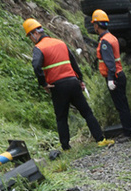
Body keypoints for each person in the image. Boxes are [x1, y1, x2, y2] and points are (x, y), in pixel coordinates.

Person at [23, 18, 114, 152]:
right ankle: (100, 139)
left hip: (58, 86)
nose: (31, 39)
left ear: (34, 34)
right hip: (73, 82)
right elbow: (74, 62)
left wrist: (44, 84)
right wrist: (80, 80)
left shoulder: (39, 48)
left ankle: (66, 147)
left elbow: (36, 66)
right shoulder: (60, 42)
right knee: (87, 112)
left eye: (30, 37)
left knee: (61, 118)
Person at [91, 9, 131, 141]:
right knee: (123, 105)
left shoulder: (105, 41)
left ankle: (128, 133)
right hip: (119, 75)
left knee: (121, 106)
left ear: (96, 25)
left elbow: (110, 63)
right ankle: (129, 130)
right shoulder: (112, 37)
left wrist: (110, 79)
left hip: (114, 77)